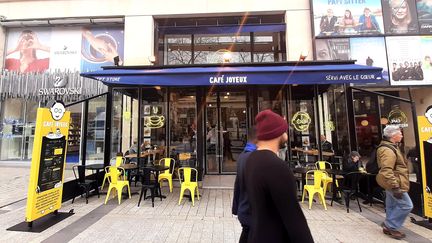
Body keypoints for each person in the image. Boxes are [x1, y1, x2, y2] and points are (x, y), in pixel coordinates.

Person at [244, 109, 313, 243]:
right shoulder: (276, 166)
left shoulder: (251, 159)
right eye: (284, 129)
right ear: (277, 133)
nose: (286, 133)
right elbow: (294, 219)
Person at [376, 125, 412, 240]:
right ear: (393, 135)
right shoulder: (388, 150)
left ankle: (389, 227)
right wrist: (395, 186)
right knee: (407, 205)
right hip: (394, 182)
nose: (401, 135)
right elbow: (386, 170)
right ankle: (390, 225)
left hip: (391, 181)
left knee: (391, 205)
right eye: (400, 133)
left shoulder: (392, 147)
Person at [232, 128, 257, 243]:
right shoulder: (253, 158)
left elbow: (238, 184)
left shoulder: (243, 156)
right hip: (251, 212)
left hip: (245, 210)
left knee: (246, 234)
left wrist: (236, 207)